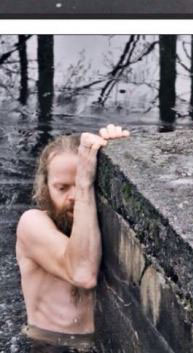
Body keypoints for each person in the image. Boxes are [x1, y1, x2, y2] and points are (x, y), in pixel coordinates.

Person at [15, 125, 130, 352]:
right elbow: (82, 274)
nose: (73, 196)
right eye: (62, 188)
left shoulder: (102, 230)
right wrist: (84, 184)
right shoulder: (32, 224)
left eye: (78, 184)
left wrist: (119, 149)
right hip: (48, 344)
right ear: (46, 189)